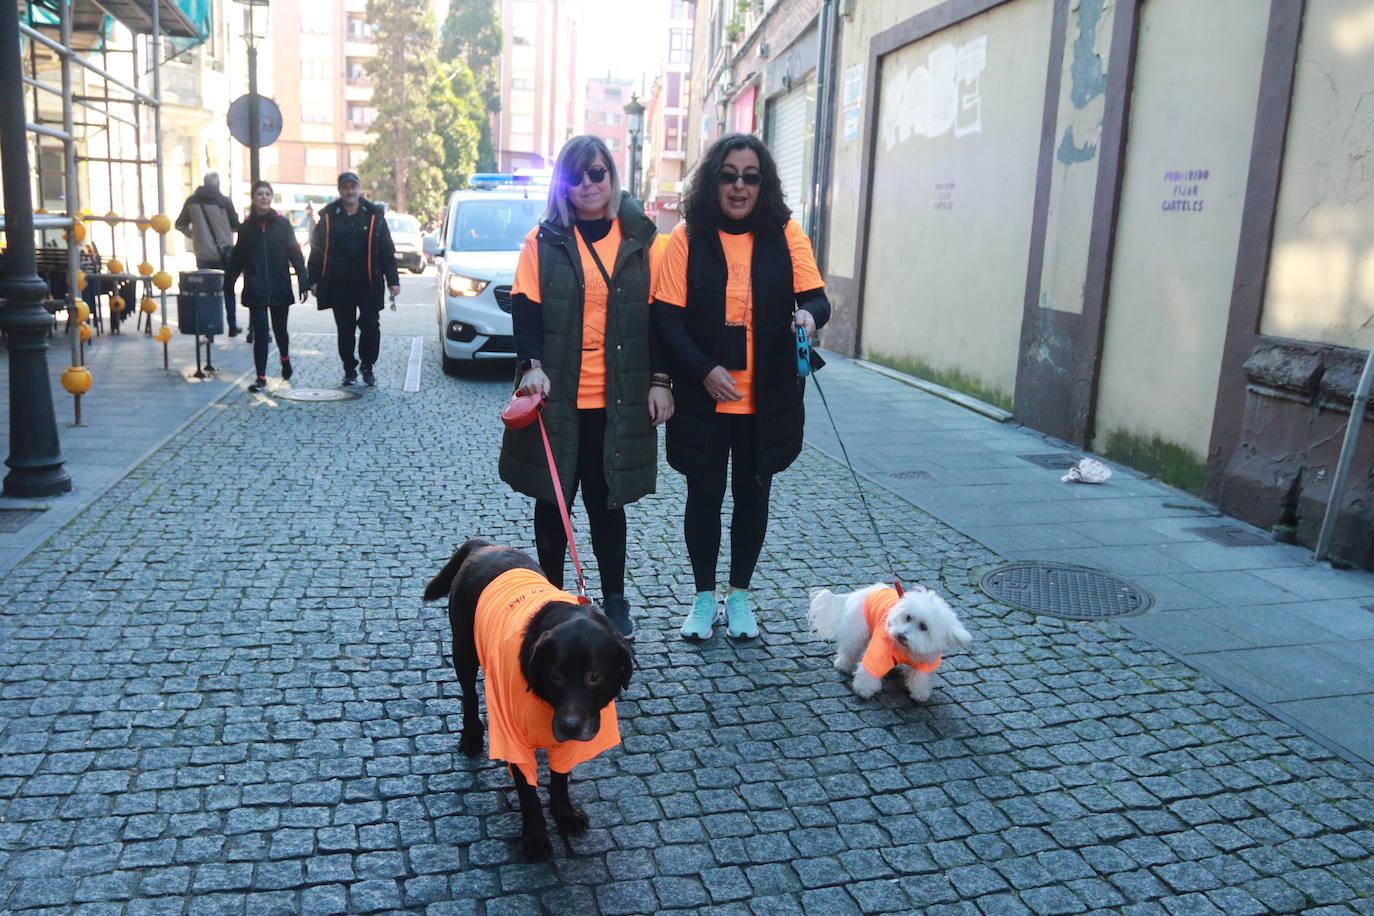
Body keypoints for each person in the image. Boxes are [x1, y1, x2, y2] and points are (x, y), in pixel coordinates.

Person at [652, 133, 831, 641]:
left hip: (766, 399)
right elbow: (665, 317)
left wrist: (807, 316)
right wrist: (703, 369)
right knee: (703, 498)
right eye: (729, 175)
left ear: (763, 183)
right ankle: (704, 597)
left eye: (750, 177)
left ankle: (741, 596)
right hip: (704, 399)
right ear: (714, 180)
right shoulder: (688, 236)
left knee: (754, 499)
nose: (739, 186)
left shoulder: (786, 233)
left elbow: (818, 300)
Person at [498, 135, 673, 640]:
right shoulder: (544, 239)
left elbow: (659, 315)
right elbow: (526, 307)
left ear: (611, 176)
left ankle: (615, 599)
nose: (588, 183)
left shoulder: (643, 239)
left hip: (617, 400)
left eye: (597, 173)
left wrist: (662, 381)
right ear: (563, 183)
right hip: (558, 397)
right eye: (576, 175)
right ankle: (551, 597)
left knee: (607, 503)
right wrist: (530, 363)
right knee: (552, 503)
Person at [307, 172, 400, 386]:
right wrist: (313, 280)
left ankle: (368, 366)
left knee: (370, 325)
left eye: (353, 187)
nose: (350, 191)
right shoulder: (329, 216)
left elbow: (386, 250)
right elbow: (317, 250)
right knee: (345, 328)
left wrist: (393, 280)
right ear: (340, 191)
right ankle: (349, 368)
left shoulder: (374, 215)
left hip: (368, 282)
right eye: (345, 187)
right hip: (340, 284)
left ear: (359, 189)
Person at [224, 180, 309, 392]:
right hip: (256, 286)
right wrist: (229, 282)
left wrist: (303, 280)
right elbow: (238, 257)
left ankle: (285, 358)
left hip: (279, 284)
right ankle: (260, 377)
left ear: (271, 198)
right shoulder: (246, 228)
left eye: (267, 194)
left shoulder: (282, 224)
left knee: (280, 330)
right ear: (254, 198)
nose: (263, 197)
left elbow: (295, 254)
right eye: (260, 194)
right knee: (260, 331)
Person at [175, 171, 242, 337]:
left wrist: (195, 235)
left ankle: (208, 331)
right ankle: (232, 326)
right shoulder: (224, 202)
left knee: (206, 291)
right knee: (228, 290)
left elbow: (180, 224)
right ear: (218, 185)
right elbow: (235, 226)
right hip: (224, 253)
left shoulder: (191, 201)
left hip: (203, 253)